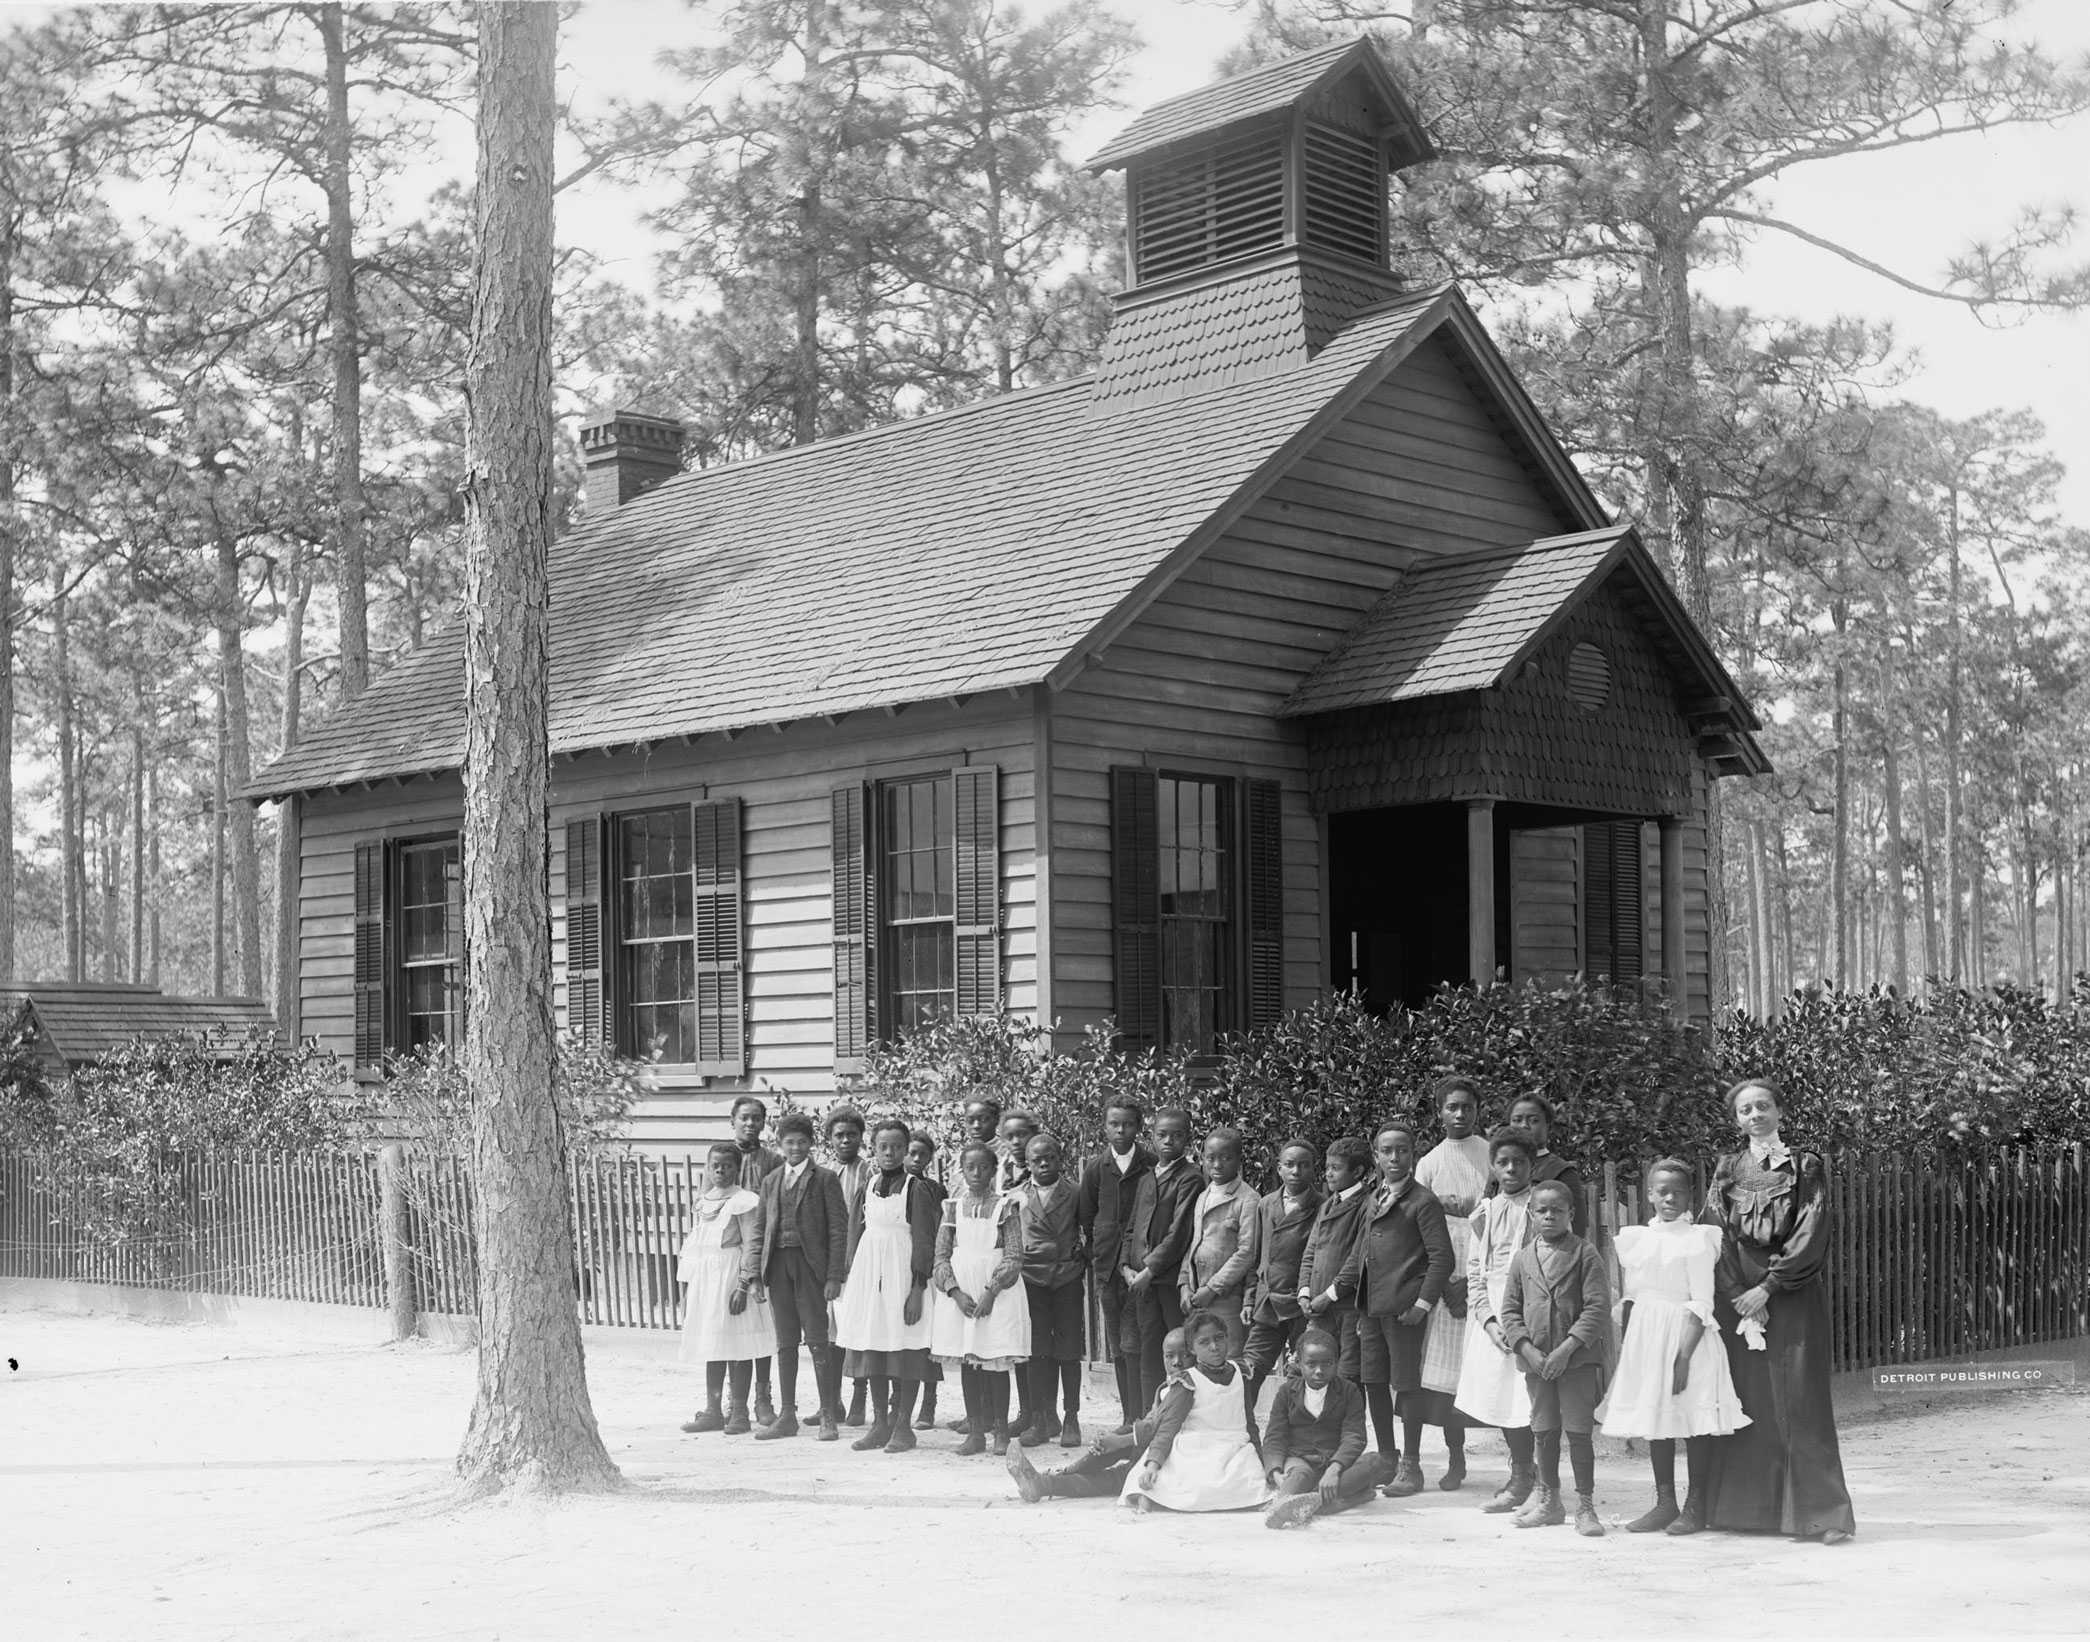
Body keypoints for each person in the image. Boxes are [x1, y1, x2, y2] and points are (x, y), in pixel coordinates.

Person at [1700, 1078, 1856, 1544]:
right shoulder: (1727, 1168)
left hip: (1791, 1292)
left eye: (1763, 1107)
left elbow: (1813, 1227)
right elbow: (1716, 1235)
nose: (1755, 1116)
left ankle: (1822, 1516)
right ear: (1737, 1119)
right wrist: (1738, 1295)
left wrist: (1768, 1288)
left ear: (1780, 1112)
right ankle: (1749, 1514)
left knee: (1799, 1400)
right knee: (1747, 1399)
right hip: (1737, 1298)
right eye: (1745, 1110)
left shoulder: (1805, 1165)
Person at [1596, 1157, 1750, 1532]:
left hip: (1688, 1339)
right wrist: (1632, 1353)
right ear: (1650, 1194)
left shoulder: (1698, 1240)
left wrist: (1682, 1358)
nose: (1670, 1199)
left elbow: (1702, 1301)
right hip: (1648, 1340)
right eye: (1662, 1191)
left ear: (1689, 1196)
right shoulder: (1639, 1239)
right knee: (1656, 1419)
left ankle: (1695, 1505)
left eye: (1678, 1192)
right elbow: (1633, 1298)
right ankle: (1665, 1502)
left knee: (1692, 1419)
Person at [1345, 1120, 1454, 1496]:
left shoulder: (1422, 1202)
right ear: (1376, 1157)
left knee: (1406, 1385)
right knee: (1374, 1381)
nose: (1394, 1157)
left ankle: (1412, 1466)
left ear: (1413, 1155)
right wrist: (1359, 1306)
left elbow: (1442, 1259)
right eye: (1387, 1151)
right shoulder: (1374, 1199)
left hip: (1405, 1310)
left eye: (1402, 1150)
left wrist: (1422, 1304)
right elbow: (1362, 1253)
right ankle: (1387, 1459)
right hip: (1372, 1311)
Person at [1499, 1178, 1610, 1537]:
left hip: (1575, 1361)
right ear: (1531, 1215)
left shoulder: (1585, 1253)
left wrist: (1566, 1349)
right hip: (1535, 1362)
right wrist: (1527, 1349)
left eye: (1557, 1210)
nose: (1549, 1216)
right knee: (1543, 1430)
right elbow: (1510, 1311)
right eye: (1542, 1210)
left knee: (1578, 1432)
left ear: (1571, 1214)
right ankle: (1549, 1500)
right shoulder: (1522, 1258)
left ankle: (1586, 1506)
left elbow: (1597, 1308)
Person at [832, 1117, 940, 1453]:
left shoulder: (915, 1189)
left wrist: (917, 1290)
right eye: (883, 1147)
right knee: (873, 1348)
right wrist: (850, 1280)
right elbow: (854, 1235)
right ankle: (880, 1424)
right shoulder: (868, 1186)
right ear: (873, 1149)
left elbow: (925, 1241)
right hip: (869, 1279)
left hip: (903, 1278)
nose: (890, 1153)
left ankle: (903, 1426)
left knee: (905, 1349)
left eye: (896, 1147)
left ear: (907, 1150)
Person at [1005, 1328, 1191, 1502]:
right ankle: (1057, 1475)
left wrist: (1120, 1441)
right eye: (1169, 1356)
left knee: (1116, 1477)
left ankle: (1046, 1484)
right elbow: (1151, 1421)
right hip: (1152, 1446)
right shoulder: (1167, 1386)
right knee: (1117, 1439)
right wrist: (1115, 1440)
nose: (1177, 1362)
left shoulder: (1187, 1387)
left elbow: (1159, 1430)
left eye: (1185, 1355)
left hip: (1167, 1456)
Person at [1412, 1075, 1490, 1488]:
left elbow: (1498, 1217)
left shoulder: (1493, 1155)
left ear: (1478, 1110)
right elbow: (1423, 1228)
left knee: (1491, 1365)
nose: (1459, 1114)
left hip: (1484, 1268)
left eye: (1467, 1107)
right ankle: (1456, 1458)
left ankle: (1519, 1462)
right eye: (1451, 1107)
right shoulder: (1428, 1163)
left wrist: (1472, 1282)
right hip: (1444, 1267)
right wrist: (1445, 1284)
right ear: (1439, 1111)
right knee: (1447, 1377)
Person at [752, 1111, 850, 1442]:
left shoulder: (824, 1179)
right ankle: (787, 1415)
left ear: (811, 1144)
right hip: (778, 1266)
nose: (796, 1148)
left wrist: (835, 1275)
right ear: (779, 1145)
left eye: (802, 1142)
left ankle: (827, 1415)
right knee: (785, 1342)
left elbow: (839, 1229)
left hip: (811, 1267)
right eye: (789, 1142)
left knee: (819, 1342)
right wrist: (754, 1273)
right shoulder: (771, 1181)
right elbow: (760, 1229)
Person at [931, 1140, 1032, 1456]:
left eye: (984, 1167)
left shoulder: (1006, 1207)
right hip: (962, 1295)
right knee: (969, 1363)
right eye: (970, 1167)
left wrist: (991, 1291)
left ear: (993, 1170)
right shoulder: (953, 1208)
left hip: (997, 1295)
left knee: (995, 1362)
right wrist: (955, 1292)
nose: (977, 1173)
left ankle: (1000, 1430)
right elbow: (941, 1256)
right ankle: (975, 1431)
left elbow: (1014, 1255)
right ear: (961, 1170)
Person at [1456, 1128, 1539, 1513]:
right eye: (1502, 1162)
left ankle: (1538, 1477)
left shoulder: (1540, 1208)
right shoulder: (1484, 1213)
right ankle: (1521, 1471)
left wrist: (1524, 1319)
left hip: (1529, 1309)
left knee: (1529, 1398)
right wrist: (1489, 1321)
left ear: (1531, 1165)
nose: (1510, 1170)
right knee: (1502, 1396)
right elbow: (1476, 1272)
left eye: (1518, 1162)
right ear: (1492, 1166)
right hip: (1492, 1315)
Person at [1120, 1309, 1267, 1513]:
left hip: (1235, 1448)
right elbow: (1168, 1427)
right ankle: (1152, 1497)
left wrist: (1261, 1458)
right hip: (1196, 1448)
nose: (1214, 1347)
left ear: (1227, 1338)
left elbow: (1249, 1422)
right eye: (1204, 1343)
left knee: (1251, 1478)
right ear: (1192, 1349)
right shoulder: (1188, 1381)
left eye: (1219, 1338)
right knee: (1186, 1481)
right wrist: (1153, 1464)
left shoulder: (1241, 1373)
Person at [676, 1144, 775, 1436]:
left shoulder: (744, 1201)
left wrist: (743, 1285)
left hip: (731, 1278)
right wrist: (688, 1287)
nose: (721, 1171)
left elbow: (750, 1244)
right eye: (715, 1166)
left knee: (738, 1346)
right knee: (713, 1344)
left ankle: (740, 1412)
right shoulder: (703, 1201)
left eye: (727, 1166)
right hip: (707, 1280)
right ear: (708, 1168)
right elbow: (695, 1249)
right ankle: (712, 1411)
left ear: (737, 1169)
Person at [1119, 1107, 1204, 1422]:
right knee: (1148, 1348)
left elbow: (1179, 1232)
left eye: (1177, 1135)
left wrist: (1150, 1269)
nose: (1169, 1141)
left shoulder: (1190, 1178)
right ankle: (1148, 1419)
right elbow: (1131, 1229)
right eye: (1162, 1135)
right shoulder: (1146, 1178)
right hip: (1140, 1282)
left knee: (1181, 1348)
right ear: (1151, 1138)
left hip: (1166, 1281)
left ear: (1188, 1139)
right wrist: (1127, 1268)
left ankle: (1185, 1417)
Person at [1261, 1328, 1390, 1529]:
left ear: (1336, 1363)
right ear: (1299, 1364)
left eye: (1327, 1363)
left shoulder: (1349, 1391)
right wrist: (1277, 1474)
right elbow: (1274, 1437)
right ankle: (1298, 1503)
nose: (1319, 1371)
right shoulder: (1287, 1392)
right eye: (1311, 1364)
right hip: (1299, 1460)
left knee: (1374, 1462)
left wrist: (1334, 1469)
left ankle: (1307, 1502)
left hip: (1336, 1462)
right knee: (1298, 1476)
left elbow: (1354, 1436)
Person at [1077, 1099, 1153, 1431]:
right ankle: (1127, 1415)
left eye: (1127, 1124)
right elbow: (1086, 1214)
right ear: (1105, 1127)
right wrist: (1098, 1253)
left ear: (1138, 1127)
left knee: (1139, 1339)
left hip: (1139, 1265)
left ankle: (1144, 1412)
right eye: (1114, 1124)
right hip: (1108, 1269)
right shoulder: (1096, 1168)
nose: (1121, 1130)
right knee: (1117, 1343)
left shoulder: (1150, 1164)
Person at [1014, 1132, 1087, 1448]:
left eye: (1050, 1158)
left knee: (1068, 1352)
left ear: (1060, 1159)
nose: (1044, 1164)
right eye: (1036, 1159)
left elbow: (1090, 1230)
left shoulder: (1075, 1193)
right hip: (1032, 1280)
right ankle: (1042, 1418)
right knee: (1036, 1351)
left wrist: (1081, 1256)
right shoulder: (1017, 1196)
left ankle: (1071, 1417)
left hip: (1066, 1278)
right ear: (1027, 1163)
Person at [1241, 1139, 1323, 1416]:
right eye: (1289, 1165)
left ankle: (1299, 1436)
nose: (1296, 1171)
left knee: (1302, 1372)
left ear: (1314, 1169)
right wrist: (1250, 1298)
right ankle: (1243, 1430)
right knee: (1250, 1368)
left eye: (1303, 1165)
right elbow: (1256, 1257)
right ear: (1278, 1168)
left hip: (1301, 1304)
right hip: (1267, 1302)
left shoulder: (1322, 1207)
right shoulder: (1266, 1204)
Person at [1294, 1136, 1375, 1385]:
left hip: (1347, 1307)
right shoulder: (1328, 1204)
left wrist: (1328, 1295)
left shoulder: (1367, 1205)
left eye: (1336, 1168)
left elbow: (1357, 1259)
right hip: (1318, 1306)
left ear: (1358, 1171)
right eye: (1327, 1167)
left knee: (1347, 1375)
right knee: (1307, 1370)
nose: (1328, 1174)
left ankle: (1349, 1425)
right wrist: (1304, 1292)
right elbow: (1311, 1252)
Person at [1179, 1127, 1260, 1360]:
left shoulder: (1247, 1199)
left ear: (1238, 1161)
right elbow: (1193, 1244)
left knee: (1227, 1361)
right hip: (1196, 1296)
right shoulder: (1203, 1196)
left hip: (1226, 1298)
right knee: (1200, 1363)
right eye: (1210, 1158)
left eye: (1226, 1158)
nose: (1217, 1165)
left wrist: (1212, 1289)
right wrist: (1184, 1284)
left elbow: (1246, 1252)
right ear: (1202, 1159)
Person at [728, 1095, 784, 1426]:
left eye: (756, 1119)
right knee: (736, 1329)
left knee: (763, 1327)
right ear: (732, 1120)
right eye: (744, 1118)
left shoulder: (773, 1161)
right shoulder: (721, 1157)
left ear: (764, 1123)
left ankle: (764, 1398)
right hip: (730, 1253)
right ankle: (736, 1404)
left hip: (763, 1251)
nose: (750, 1124)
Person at [825, 1104, 874, 1429]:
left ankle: (859, 1398)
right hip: (828, 1262)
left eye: (852, 1135)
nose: (846, 1141)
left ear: (861, 1138)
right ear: (830, 1139)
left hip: (858, 1260)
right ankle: (832, 1401)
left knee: (856, 1332)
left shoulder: (869, 1172)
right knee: (829, 1333)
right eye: (839, 1135)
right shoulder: (822, 1172)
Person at [904, 1131, 950, 1431]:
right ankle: (899, 1403)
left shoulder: (935, 1189)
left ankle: (928, 1402)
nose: (917, 1159)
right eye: (912, 1152)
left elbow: (940, 1229)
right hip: (897, 1265)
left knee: (928, 1338)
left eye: (923, 1154)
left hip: (927, 1269)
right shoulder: (892, 1185)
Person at [1506, 1094, 1586, 1237]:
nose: (1524, 1125)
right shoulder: (1499, 1169)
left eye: (1534, 1120)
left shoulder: (1562, 1172)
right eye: (1517, 1120)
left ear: (1547, 1125)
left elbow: (1577, 1227)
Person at [997, 1109, 1039, 1193]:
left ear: (1035, 1135)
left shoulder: (1045, 1165)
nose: (1016, 1142)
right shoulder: (999, 1169)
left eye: (1022, 1135)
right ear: (1003, 1141)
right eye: (1009, 1137)